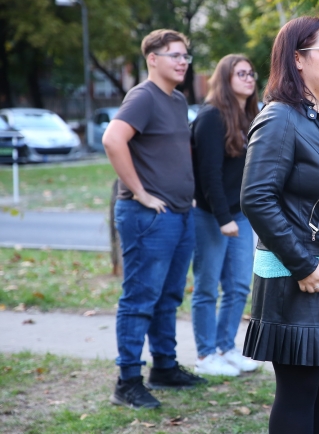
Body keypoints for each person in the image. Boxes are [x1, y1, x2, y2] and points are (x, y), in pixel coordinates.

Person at [240, 17, 319, 434]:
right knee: (300, 390)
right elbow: (256, 197)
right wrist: (303, 265)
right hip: (300, 278)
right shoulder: (279, 118)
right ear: (297, 59)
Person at [103, 29, 206, 409]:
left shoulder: (177, 99)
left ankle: (163, 366)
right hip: (148, 215)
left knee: (167, 296)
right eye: (174, 55)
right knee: (140, 298)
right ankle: (127, 381)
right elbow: (113, 140)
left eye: (185, 56)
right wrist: (142, 193)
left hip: (179, 214)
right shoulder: (143, 96)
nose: (182, 62)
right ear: (152, 59)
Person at [190, 54, 260, 376]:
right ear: (225, 78)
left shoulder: (250, 116)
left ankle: (226, 347)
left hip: (240, 215)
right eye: (241, 73)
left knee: (239, 287)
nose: (249, 78)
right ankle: (205, 355)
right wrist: (222, 218)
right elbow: (209, 176)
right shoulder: (210, 117)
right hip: (210, 216)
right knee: (207, 288)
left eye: (251, 73)